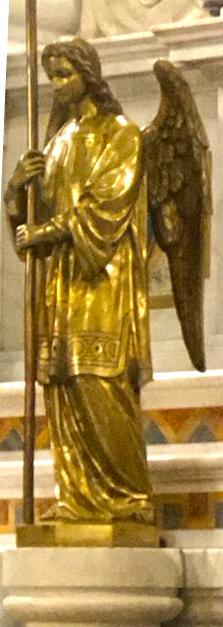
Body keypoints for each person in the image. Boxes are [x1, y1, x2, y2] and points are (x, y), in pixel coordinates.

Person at [4, 37, 153, 523]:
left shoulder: (121, 134)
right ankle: (77, 498)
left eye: (66, 74)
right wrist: (16, 192)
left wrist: (45, 231)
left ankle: (127, 497)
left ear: (89, 75)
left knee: (98, 380)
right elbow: (35, 213)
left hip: (102, 280)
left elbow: (107, 206)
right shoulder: (58, 140)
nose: (57, 85)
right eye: (52, 77)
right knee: (64, 384)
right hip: (60, 282)